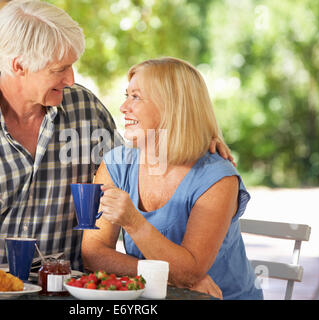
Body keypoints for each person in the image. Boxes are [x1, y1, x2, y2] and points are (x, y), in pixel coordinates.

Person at [0, 1, 230, 272]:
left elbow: (134, 164)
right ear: (19, 66)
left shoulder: (85, 110)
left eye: (72, 66)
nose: (71, 78)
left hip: (66, 289)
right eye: (59, 69)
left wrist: (201, 142)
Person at [82, 57, 263, 299]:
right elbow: (93, 254)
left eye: (136, 97)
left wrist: (133, 221)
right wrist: (166, 276)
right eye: (127, 95)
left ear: (172, 105)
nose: (124, 106)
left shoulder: (217, 178)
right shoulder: (117, 165)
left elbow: (188, 273)